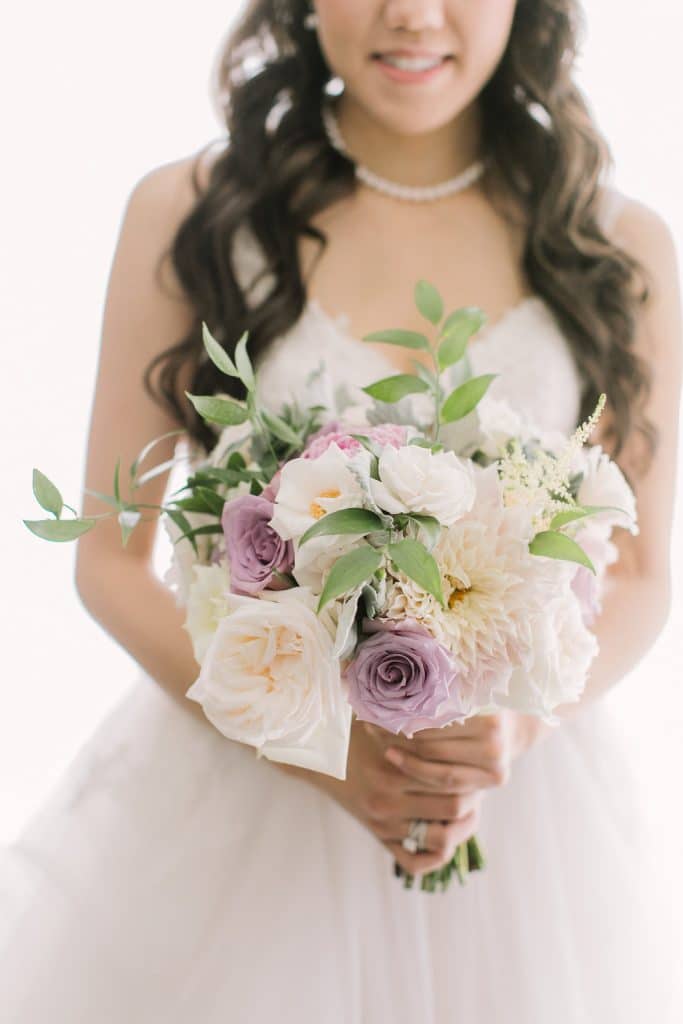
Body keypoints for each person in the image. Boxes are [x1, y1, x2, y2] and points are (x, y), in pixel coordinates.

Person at [1, 0, 681, 1020]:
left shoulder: (614, 244)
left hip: (521, 820)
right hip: (238, 802)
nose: (411, 13)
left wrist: (514, 728)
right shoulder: (193, 212)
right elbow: (106, 561)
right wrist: (311, 746)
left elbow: (635, 572)